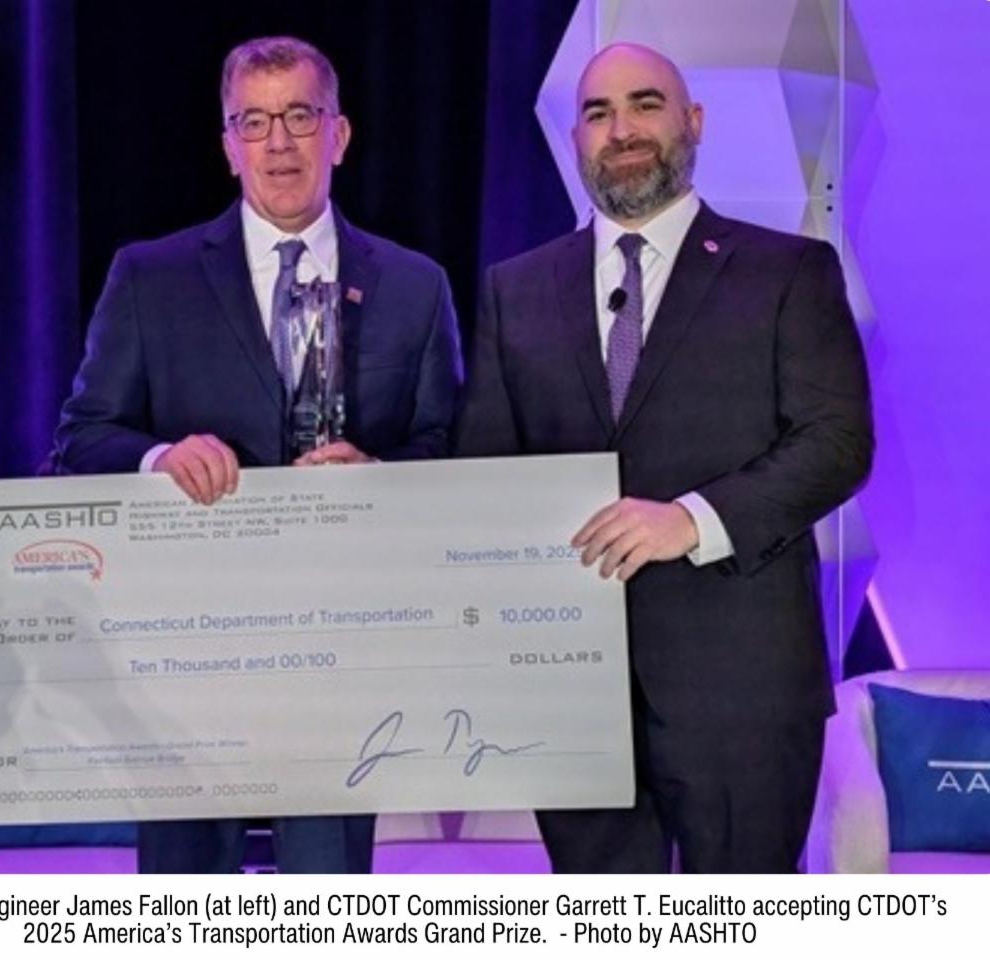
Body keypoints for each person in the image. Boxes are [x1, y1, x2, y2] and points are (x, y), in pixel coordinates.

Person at [455, 42, 873, 873]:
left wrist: (692, 520)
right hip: (574, 695)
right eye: (598, 112)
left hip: (744, 692)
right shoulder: (516, 288)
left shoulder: (787, 271)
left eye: (646, 104)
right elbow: (486, 476)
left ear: (694, 121)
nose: (622, 130)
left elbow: (838, 443)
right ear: (575, 139)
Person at [53, 35, 462, 873]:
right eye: (254, 121)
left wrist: (382, 478)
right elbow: (80, 440)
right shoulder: (149, 278)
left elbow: (454, 449)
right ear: (228, 144)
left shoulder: (417, 286)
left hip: (347, 656)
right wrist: (159, 456)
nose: (279, 142)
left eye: (300, 116)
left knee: (328, 903)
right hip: (190, 657)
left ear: (339, 135)